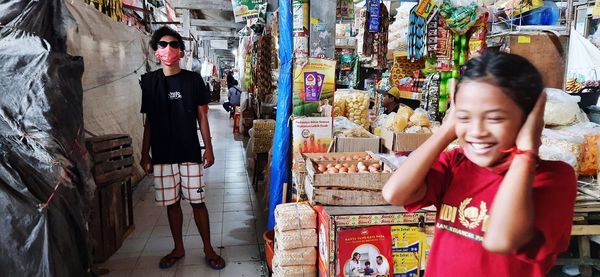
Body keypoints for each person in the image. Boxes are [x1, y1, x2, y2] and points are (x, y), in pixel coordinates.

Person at [382, 52, 576, 276]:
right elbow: (394, 193)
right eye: (465, 118)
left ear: (528, 118)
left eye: (494, 118)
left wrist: (527, 150)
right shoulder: (456, 164)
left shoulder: (554, 178)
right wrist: (447, 129)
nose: (476, 132)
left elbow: (500, 239)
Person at [139, 26, 225, 270]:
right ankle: (178, 248)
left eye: (174, 44)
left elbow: (202, 116)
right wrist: (145, 154)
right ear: (156, 52)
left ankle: (208, 249)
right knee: (172, 203)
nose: (168, 49)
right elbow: (149, 123)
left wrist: (209, 149)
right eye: (163, 45)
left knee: (198, 202)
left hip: (189, 152)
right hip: (163, 154)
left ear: (182, 51)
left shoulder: (193, 80)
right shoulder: (149, 82)